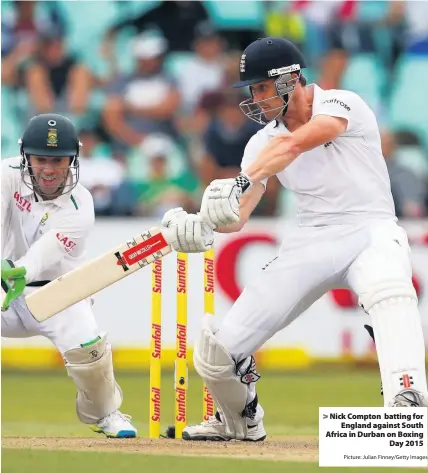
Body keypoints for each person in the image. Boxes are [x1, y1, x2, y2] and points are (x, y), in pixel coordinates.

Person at [161, 37, 428, 442]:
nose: (257, 97)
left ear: (292, 79)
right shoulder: (260, 143)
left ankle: (407, 411)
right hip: (311, 239)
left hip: (371, 227)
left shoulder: (342, 104)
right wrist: (202, 223)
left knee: (390, 293)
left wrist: (242, 178)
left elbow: (297, 142)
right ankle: (238, 423)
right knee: (217, 354)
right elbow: (239, 214)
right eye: (253, 89)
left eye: (264, 87)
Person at [1, 113, 137, 438]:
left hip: (59, 295)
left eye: (58, 160)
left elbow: (46, 252)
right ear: (25, 157)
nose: (49, 169)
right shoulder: (5, 175)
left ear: (73, 160)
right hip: (3, 286)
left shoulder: (81, 204)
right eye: (41, 159)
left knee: (90, 352)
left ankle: (106, 413)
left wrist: (21, 269)